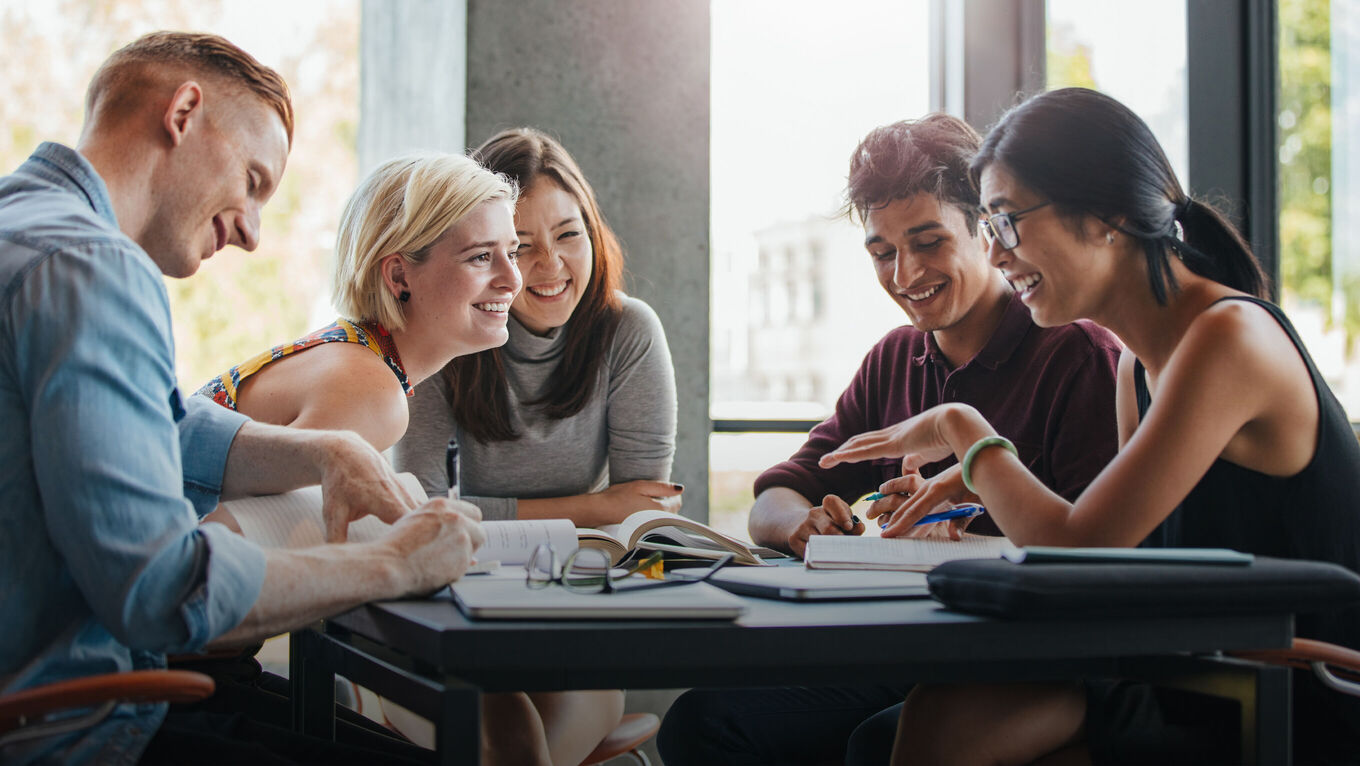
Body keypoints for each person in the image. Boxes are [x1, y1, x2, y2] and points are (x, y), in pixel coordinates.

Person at [818, 88, 1360, 766]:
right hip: (1197, 668)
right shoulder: (1138, 362)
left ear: (1108, 215)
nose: (996, 252)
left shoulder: (1228, 338)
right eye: (987, 226)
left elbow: (1078, 546)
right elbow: (1113, 562)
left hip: (1289, 688)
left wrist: (964, 430)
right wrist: (981, 480)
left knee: (940, 726)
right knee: (912, 726)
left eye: (1007, 222)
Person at [0, 32, 485, 766]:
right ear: (184, 112)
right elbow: (164, 591)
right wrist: (397, 563)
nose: (254, 233)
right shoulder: (93, 267)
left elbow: (153, 418)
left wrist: (324, 449)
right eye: (254, 181)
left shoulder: (28, 234)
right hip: (80, 723)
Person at [658, 113, 1123, 766]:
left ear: (986, 230)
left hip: (1028, 663)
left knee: (878, 743)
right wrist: (804, 527)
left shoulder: (1075, 353)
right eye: (882, 252)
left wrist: (968, 545)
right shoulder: (895, 359)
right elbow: (775, 495)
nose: (905, 274)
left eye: (929, 243)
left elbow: (1096, 561)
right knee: (702, 723)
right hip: (911, 651)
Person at [392, 127, 679, 527]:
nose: (552, 264)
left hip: (590, 566)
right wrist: (595, 507)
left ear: (593, 233)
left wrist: (612, 510)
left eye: (569, 234)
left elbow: (640, 510)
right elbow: (422, 510)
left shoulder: (628, 331)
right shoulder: (440, 333)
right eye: (520, 247)